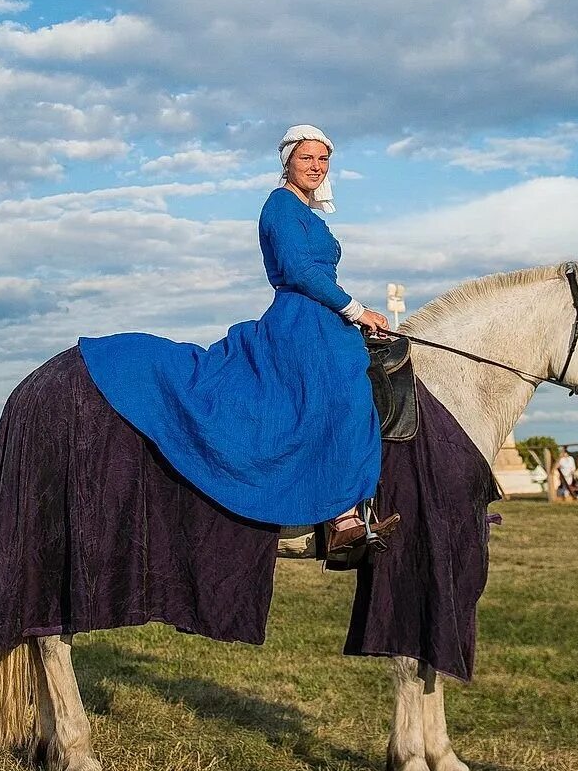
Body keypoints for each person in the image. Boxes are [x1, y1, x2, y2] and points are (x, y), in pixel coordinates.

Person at [78, 124, 386, 551]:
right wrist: (356, 309)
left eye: (322, 159)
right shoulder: (280, 206)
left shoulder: (306, 211)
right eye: (306, 158)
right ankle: (341, 516)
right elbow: (299, 271)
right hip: (302, 317)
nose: (315, 167)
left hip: (323, 317)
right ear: (288, 162)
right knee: (344, 388)